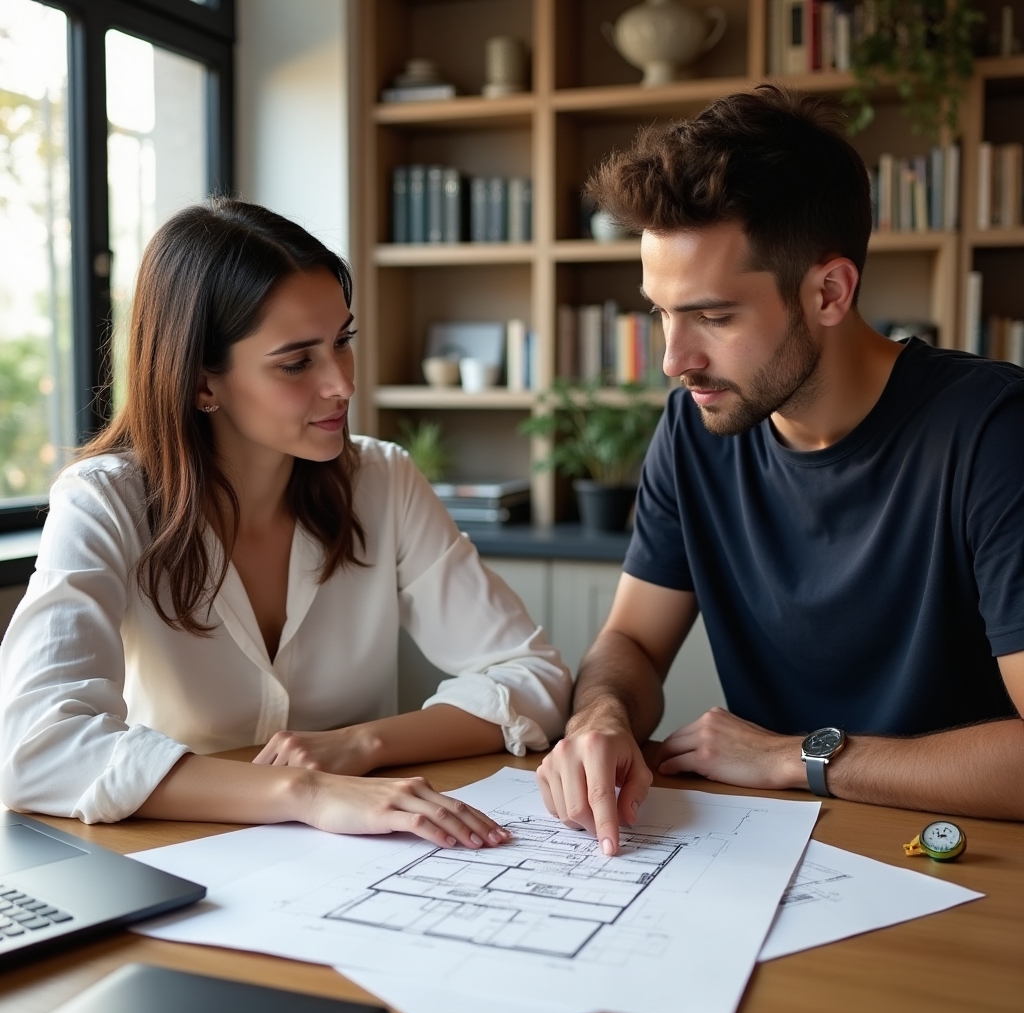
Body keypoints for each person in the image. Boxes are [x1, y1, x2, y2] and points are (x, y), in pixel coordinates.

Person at [537, 86, 1024, 855]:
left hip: (969, 862)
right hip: (779, 854)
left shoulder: (994, 432)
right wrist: (601, 717)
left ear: (829, 291)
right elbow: (629, 641)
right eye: (661, 312)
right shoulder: (696, 428)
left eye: (714, 316)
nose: (674, 359)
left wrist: (794, 755)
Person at [0, 198, 571, 848]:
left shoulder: (382, 482)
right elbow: (35, 745)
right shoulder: (104, 501)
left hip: (362, 855)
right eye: (297, 363)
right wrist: (304, 792)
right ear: (201, 385)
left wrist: (358, 745)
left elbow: (534, 675)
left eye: (342, 342)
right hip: (178, 851)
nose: (341, 385)